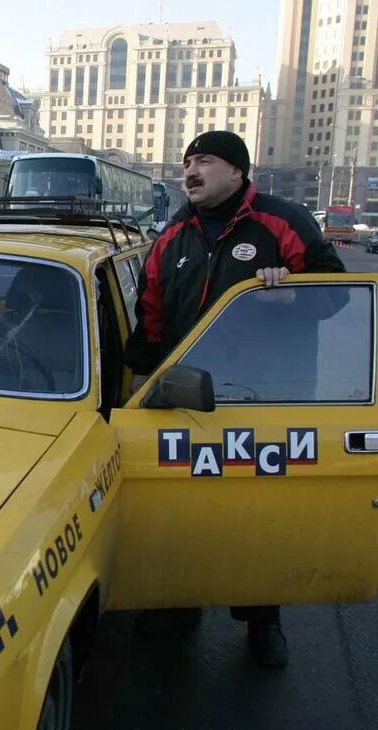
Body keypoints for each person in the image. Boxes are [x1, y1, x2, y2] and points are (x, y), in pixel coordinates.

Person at [124, 130, 345, 670]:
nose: (190, 172)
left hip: (267, 397)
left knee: (258, 510)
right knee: (181, 505)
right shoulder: (174, 234)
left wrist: (295, 292)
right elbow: (152, 314)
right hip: (186, 397)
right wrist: (140, 389)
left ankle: (263, 620)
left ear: (238, 172)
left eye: (204, 161)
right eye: (187, 164)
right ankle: (179, 602)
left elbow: (336, 289)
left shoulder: (283, 222)